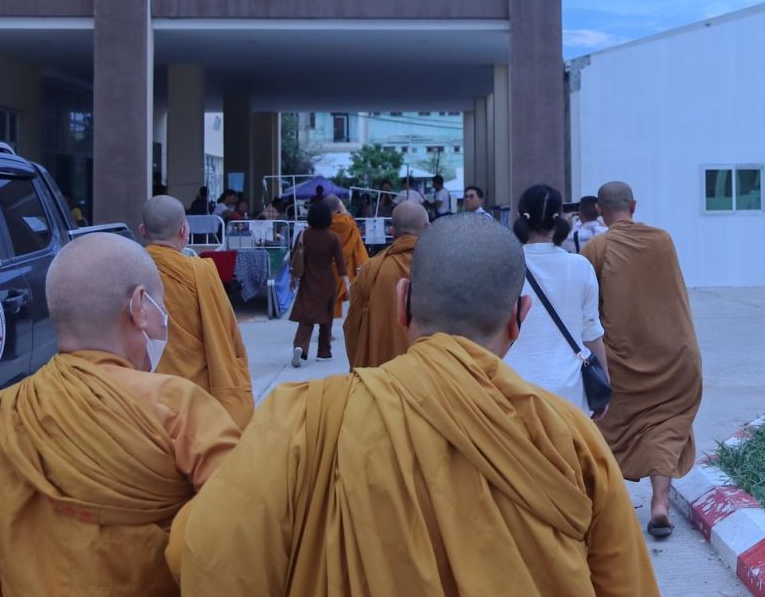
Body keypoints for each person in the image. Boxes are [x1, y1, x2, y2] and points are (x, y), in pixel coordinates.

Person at [167, 214, 659, 597]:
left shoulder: (304, 420)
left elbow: (205, 555)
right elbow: (625, 584)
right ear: (520, 315)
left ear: (402, 301)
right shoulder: (570, 437)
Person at [0, 234, 240, 597]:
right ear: (139, 306)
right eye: (162, 307)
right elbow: (240, 526)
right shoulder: (177, 406)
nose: (165, 323)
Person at [582, 181, 702, 539]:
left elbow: (588, 310)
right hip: (675, 356)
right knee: (667, 425)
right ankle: (660, 503)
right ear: (633, 205)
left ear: (599, 210)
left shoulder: (596, 248)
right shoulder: (663, 240)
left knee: (607, 427)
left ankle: (607, 506)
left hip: (624, 362)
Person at [141, 196, 255, 428]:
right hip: (197, 398)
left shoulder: (130, 272)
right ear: (184, 231)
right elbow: (227, 333)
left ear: (142, 231)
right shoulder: (200, 273)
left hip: (145, 397)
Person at [510, 185, 608, 415]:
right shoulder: (580, 266)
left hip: (513, 387)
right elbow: (591, 333)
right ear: (561, 218)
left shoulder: (504, 266)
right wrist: (604, 383)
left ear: (519, 216)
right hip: (569, 390)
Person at [343, 201, 427, 369]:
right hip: (430, 372)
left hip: (381, 373)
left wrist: (359, 366)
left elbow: (352, 327)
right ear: (427, 227)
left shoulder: (371, 269)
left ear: (392, 231)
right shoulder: (442, 267)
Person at [289, 202, 348, 364]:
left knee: (306, 316)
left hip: (307, 280)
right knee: (326, 318)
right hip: (327, 281)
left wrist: (291, 278)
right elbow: (340, 262)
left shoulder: (303, 234)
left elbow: (294, 257)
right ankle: (323, 352)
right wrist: (347, 282)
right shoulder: (333, 238)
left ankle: (300, 346)